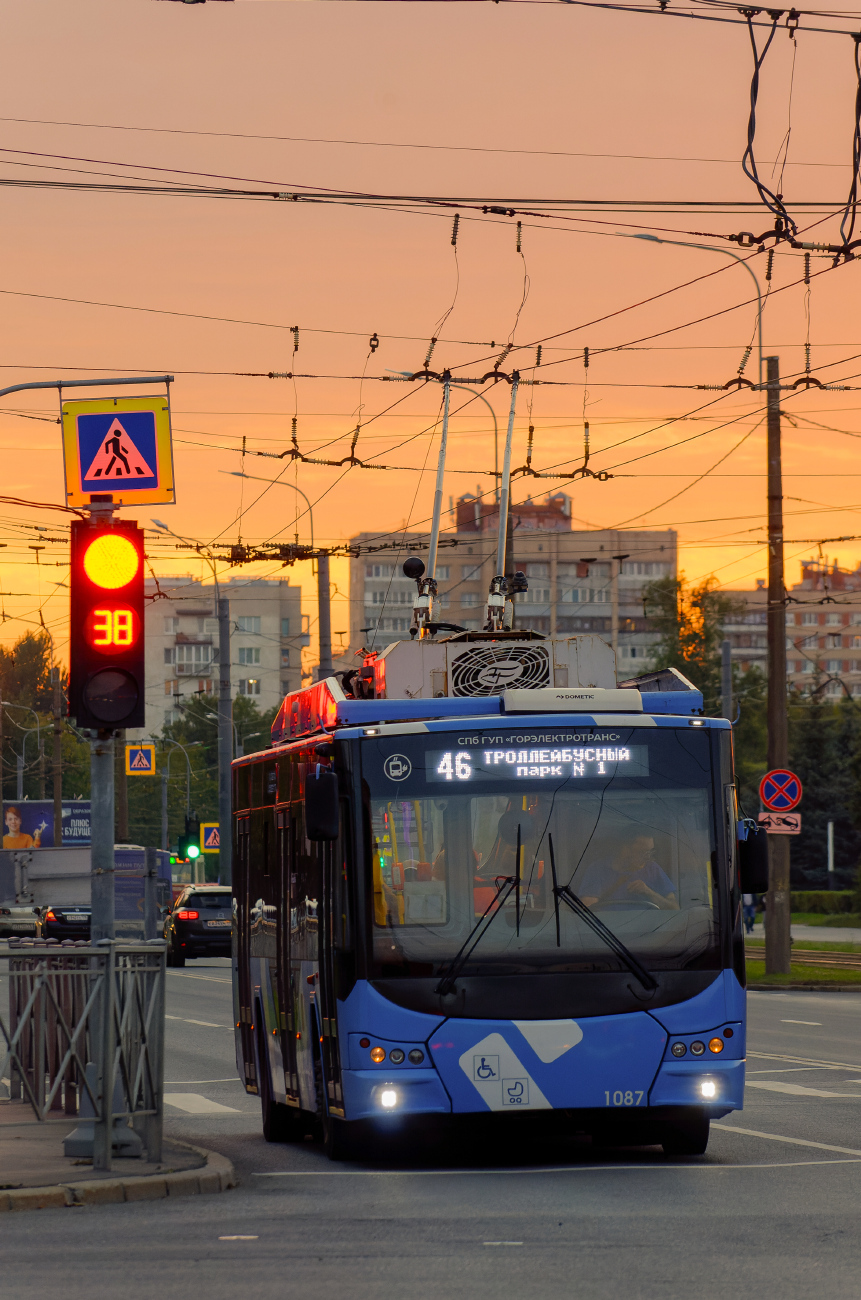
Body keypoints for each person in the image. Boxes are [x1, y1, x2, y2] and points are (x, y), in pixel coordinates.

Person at [577, 833, 679, 911]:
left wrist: (649, 892)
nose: (648, 857)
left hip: (649, 932)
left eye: (650, 852)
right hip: (608, 933)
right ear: (624, 849)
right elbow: (588, 910)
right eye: (643, 852)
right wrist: (614, 886)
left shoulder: (652, 869)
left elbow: (674, 908)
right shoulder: (598, 869)